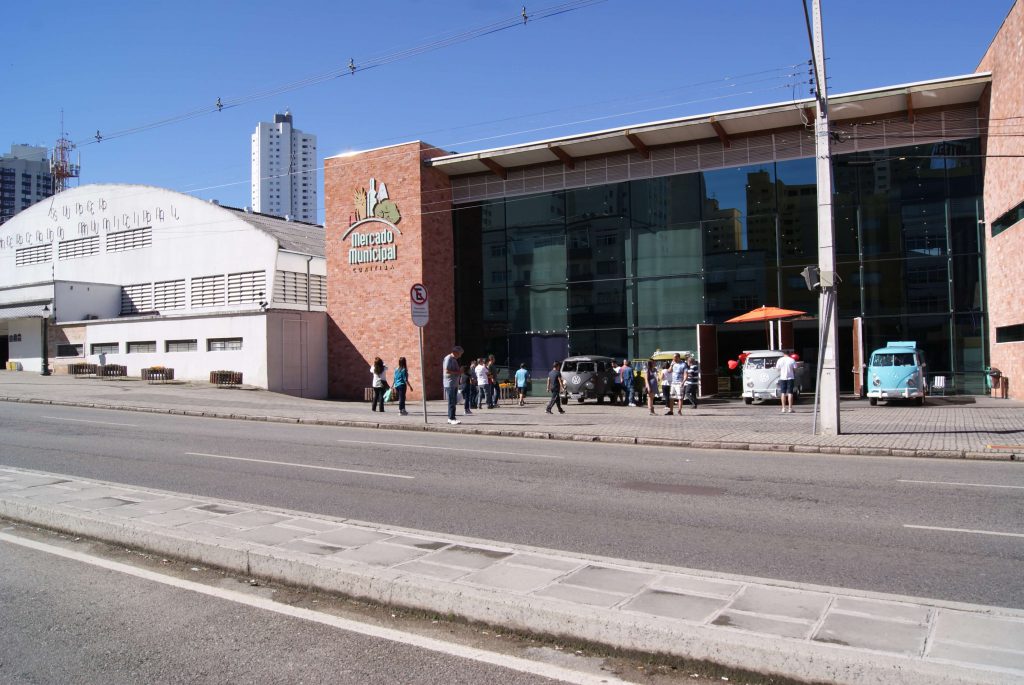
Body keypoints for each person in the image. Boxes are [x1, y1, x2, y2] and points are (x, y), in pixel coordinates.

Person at [442, 345, 463, 425]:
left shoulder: (453, 359)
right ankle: (451, 418)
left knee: (453, 401)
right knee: (451, 401)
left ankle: (452, 417)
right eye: (459, 354)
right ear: (455, 352)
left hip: (454, 383)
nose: (460, 356)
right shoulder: (448, 358)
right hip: (449, 383)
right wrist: (458, 372)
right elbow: (446, 371)